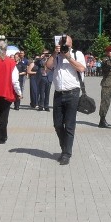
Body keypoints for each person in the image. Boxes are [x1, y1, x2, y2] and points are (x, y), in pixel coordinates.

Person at [45, 34, 86, 165]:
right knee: (57, 124)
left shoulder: (77, 54)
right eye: (62, 45)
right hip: (58, 93)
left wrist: (68, 56)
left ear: (71, 45)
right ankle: (65, 148)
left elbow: (81, 68)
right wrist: (54, 53)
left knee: (69, 125)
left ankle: (66, 153)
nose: (64, 48)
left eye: (66, 46)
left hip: (72, 93)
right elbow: (48, 66)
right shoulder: (56, 56)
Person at [0, 39, 21, 148]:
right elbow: (15, 81)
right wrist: (19, 93)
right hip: (6, 93)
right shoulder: (11, 63)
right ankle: (2, 137)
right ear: (5, 50)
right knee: (4, 117)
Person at [98, 45, 111, 129]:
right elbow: (109, 66)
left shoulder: (110, 60)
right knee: (105, 102)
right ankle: (102, 121)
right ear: (107, 52)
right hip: (106, 84)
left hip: (110, 84)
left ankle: (102, 120)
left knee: (107, 102)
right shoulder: (106, 60)